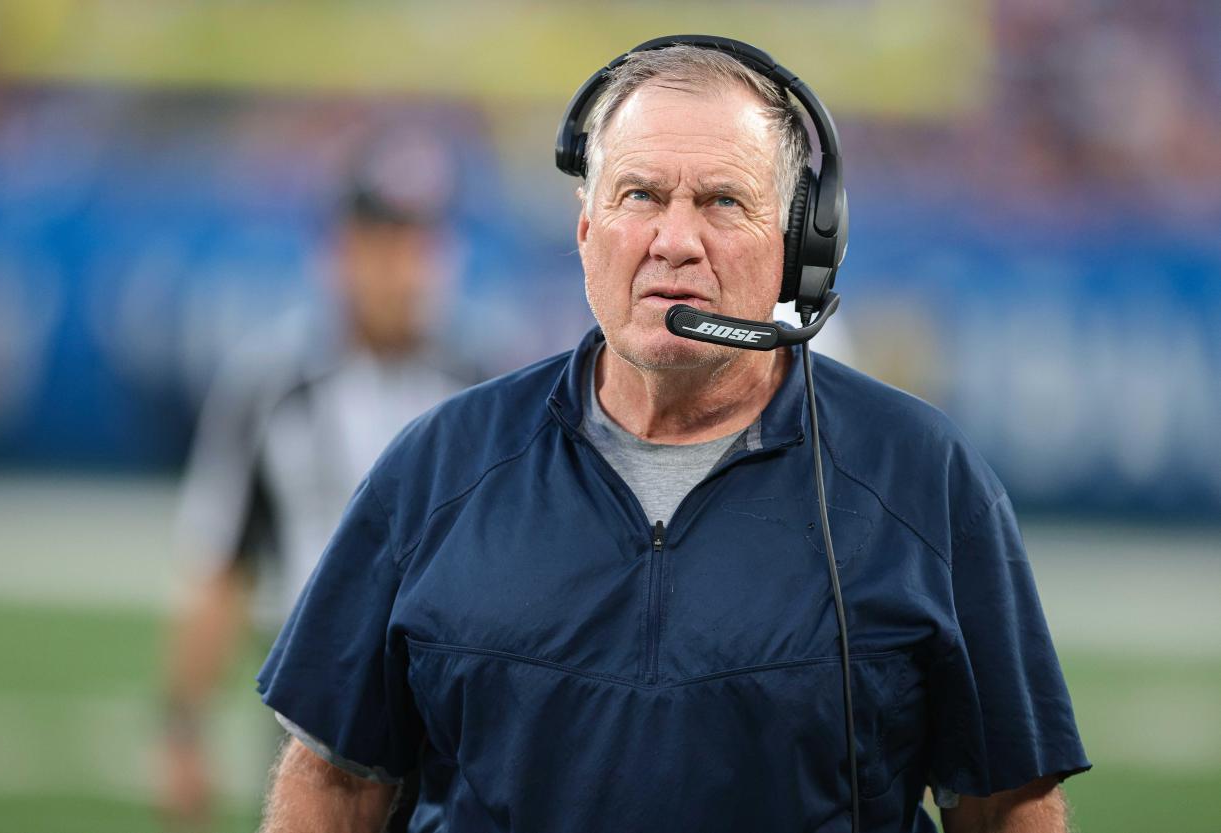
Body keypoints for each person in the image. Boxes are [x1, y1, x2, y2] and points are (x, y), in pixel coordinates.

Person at [253, 41, 1089, 833]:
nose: (674, 240)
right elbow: (336, 776)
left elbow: (1005, 801)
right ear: (587, 233)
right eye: (640, 195)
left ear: (800, 249)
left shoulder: (922, 476)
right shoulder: (437, 466)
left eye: (723, 201)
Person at [158, 128, 473, 830]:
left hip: (452, 718)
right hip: (314, 710)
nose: (401, 269)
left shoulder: (485, 391)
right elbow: (218, 562)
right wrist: (182, 725)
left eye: (418, 245)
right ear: (339, 252)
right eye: (380, 243)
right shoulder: (269, 385)